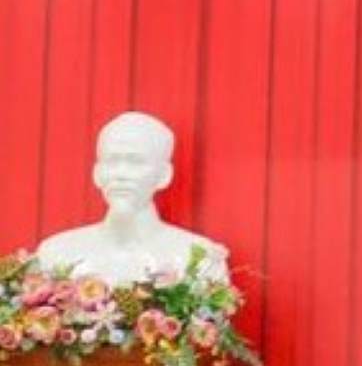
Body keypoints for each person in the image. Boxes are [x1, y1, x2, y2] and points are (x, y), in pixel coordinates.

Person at [36, 111, 229, 283]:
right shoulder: (56, 253)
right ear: (97, 173)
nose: (121, 174)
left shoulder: (200, 258)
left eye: (136, 162)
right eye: (112, 161)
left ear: (164, 175)